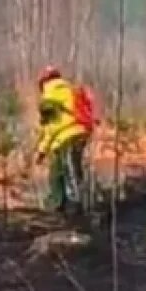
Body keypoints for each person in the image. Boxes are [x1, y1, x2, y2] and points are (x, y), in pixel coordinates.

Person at [34, 65, 93, 218]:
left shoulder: (50, 95)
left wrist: (41, 150)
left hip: (66, 137)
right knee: (69, 170)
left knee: (66, 171)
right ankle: (71, 205)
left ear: (44, 81)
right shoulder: (70, 90)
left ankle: (71, 207)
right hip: (81, 133)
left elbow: (50, 127)